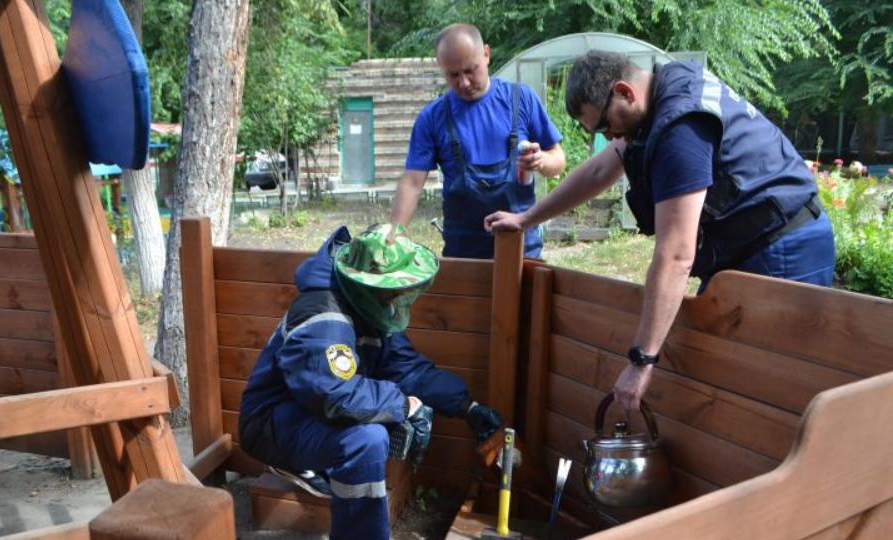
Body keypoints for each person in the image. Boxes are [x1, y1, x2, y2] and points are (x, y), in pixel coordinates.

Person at [485, 50, 835, 411]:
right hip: (746, 245)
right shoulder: (658, 91)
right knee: (729, 380)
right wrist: (527, 219)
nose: (610, 136)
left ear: (624, 91)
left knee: (769, 396)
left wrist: (641, 362)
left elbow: (676, 256)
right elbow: (597, 172)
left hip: (785, 247)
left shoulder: (679, 131)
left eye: (605, 126)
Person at [238, 224, 506, 540]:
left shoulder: (370, 306)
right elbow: (335, 394)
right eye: (391, 291)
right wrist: (403, 405)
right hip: (271, 425)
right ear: (366, 286)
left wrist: (468, 407)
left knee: (375, 427)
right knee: (366, 440)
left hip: (305, 411)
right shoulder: (324, 318)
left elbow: (408, 370)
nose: (398, 298)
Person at [391, 23, 567, 259]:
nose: (463, 82)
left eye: (470, 70)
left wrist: (542, 160)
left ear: (486, 54)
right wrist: (395, 234)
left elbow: (559, 158)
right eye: (453, 75)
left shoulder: (521, 100)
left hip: (521, 245)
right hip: (463, 250)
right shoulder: (432, 118)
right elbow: (412, 183)